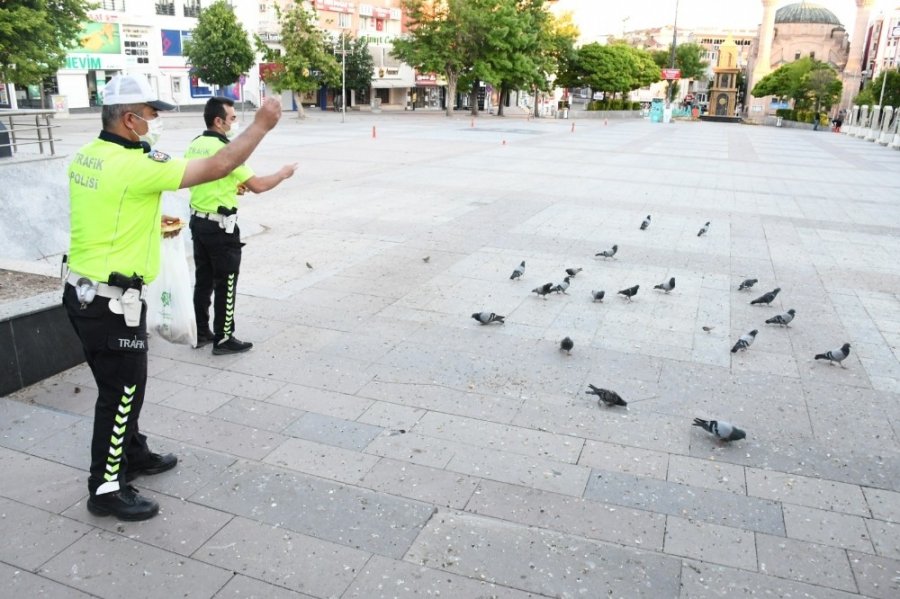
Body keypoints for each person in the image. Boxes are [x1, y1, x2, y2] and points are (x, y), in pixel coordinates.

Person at [64, 74, 283, 521]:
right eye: (151, 114)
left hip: (83, 292)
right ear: (129, 119)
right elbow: (219, 165)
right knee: (121, 392)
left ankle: (134, 451)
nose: (157, 120)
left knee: (122, 385)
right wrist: (261, 125)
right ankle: (106, 486)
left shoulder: (88, 156)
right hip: (110, 302)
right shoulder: (136, 166)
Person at [185, 97, 297, 355]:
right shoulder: (228, 150)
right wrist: (283, 173)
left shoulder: (195, 144)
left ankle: (202, 331)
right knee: (226, 281)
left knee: (203, 279)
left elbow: (197, 179)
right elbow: (258, 185)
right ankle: (224, 338)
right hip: (221, 227)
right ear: (218, 121)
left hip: (199, 222)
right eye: (232, 118)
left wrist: (227, 187)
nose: (235, 123)